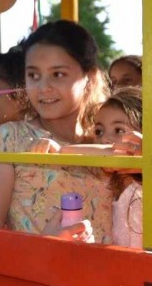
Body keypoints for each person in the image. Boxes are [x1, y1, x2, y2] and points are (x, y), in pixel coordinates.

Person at [0, 20, 113, 242]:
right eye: (33, 75)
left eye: (57, 74)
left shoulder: (106, 138)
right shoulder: (8, 141)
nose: (43, 87)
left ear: (89, 77)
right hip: (37, 273)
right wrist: (43, 247)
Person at [32, 87, 144, 246]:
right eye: (99, 131)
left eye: (118, 130)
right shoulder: (112, 186)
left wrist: (61, 150)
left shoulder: (143, 186)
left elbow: (114, 152)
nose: (105, 139)